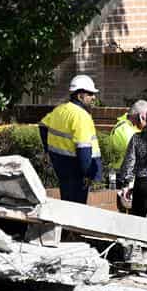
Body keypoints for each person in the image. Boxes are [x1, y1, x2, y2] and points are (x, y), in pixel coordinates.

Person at [39, 74, 102, 204]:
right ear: (80, 96)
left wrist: (47, 150)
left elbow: (43, 125)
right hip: (77, 170)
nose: (93, 97)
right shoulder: (81, 116)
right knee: (77, 209)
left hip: (61, 165)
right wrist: (87, 174)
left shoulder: (60, 110)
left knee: (66, 204)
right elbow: (83, 148)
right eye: (90, 94)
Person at [116, 107, 147, 218]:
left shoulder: (137, 138)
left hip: (141, 182)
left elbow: (130, 161)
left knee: (138, 217)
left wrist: (126, 182)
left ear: (146, 119)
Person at [108, 99, 147, 173]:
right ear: (141, 117)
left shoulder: (133, 128)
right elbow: (138, 153)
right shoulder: (124, 129)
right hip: (122, 174)